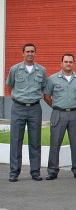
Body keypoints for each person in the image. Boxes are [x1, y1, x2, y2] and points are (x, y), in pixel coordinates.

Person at [6, 43, 47, 182]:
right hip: (18, 108)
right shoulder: (15, 69)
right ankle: (14, 172)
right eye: (27, 51)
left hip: (35, 108)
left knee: (35, 141)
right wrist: (17, 100)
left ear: (35, 53)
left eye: (32, 51)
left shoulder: (41, 70)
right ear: (22, 53)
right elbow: (9, 86)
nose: (30, 54)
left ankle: (35, 172)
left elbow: (43, 87)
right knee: (16, 140)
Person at [43, 53, 76, 180]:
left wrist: (74, 104)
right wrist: (56, 106)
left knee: (75, 143)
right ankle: (52, 171)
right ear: (61, 63)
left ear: (73, 63)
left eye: (71, 62)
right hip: (58, 114)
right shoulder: (52, 79)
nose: (68, 64)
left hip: (74, 113)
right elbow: (46, 96)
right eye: (66, 62)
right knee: (55, 144)